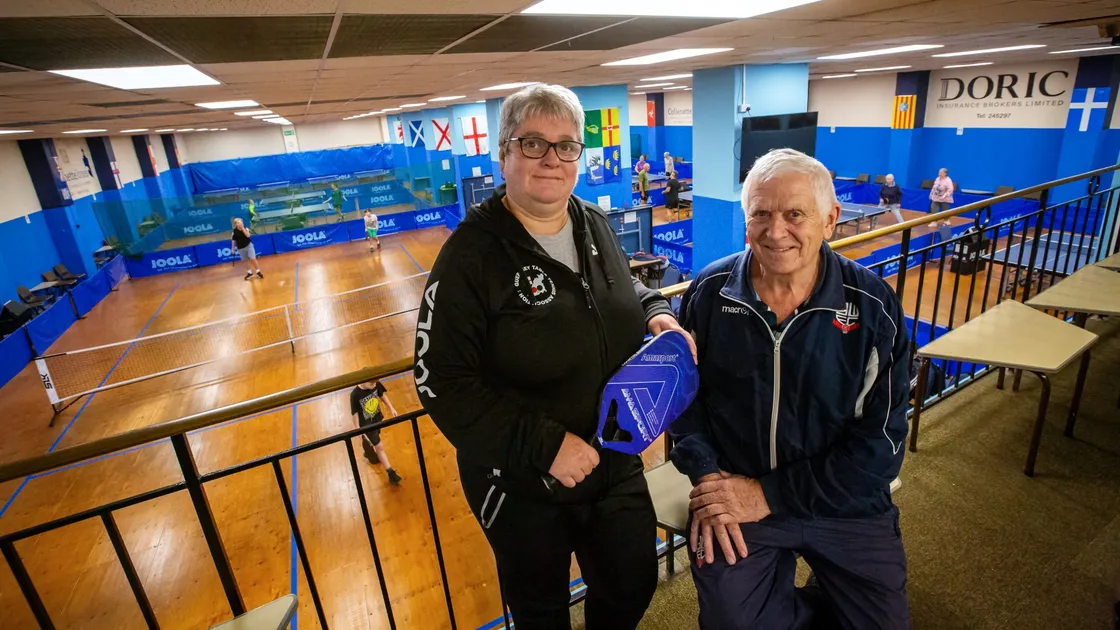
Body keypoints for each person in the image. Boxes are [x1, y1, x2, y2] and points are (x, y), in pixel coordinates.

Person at [413, 83, 695, 630]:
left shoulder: (590, 220)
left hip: (614, 457)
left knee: (632, 582)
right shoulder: (470, 255)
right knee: (541, 613)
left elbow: (618, 291)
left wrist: (656, 310)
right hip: (523, 483)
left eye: (566, 146)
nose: (552, 159)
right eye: (534, 143)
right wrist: (544, 447)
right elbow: (440, 379)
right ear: (504, 154)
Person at [670, 148, 911, 630]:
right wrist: (708, 477)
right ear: (746, 220)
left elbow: (881, 448)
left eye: (795, 214)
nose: (775, 231)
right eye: (761, 213)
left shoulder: (873, 306)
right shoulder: (709, 293)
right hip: (735, 494)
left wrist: (768, 494)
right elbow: (683, 402)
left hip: (843, 504)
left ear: (830, 218)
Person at [350, 379, 403, 486]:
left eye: (375, 383)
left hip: (376, 418)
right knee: (380, 447)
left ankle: (369, 453)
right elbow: (354, 414)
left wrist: (391, 408)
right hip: (366, 426)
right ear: (363, 381)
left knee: (376, 443)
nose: (374, 385)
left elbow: (382, 395)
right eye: (371, 384)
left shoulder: (375, 383)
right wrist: (358, 430)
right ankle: (391, 473)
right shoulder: (355, 394)